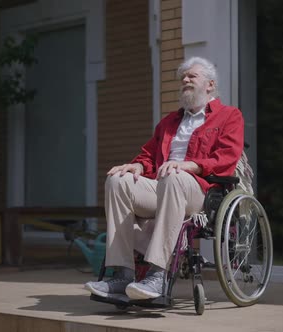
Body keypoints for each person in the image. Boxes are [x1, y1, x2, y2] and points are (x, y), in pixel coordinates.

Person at [84, 56, 244, 300]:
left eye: (192, 76)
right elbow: (148, 155)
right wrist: (137, 165)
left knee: (174, 176)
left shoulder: (229, 116)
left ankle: (158, 274)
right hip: (164, 187)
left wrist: (190, 165)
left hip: (200, 191)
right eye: (183, 78)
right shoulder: (169, 122)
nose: (185, 80)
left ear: (210, 84)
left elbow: (226, 159)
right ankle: (122, 275)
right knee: (117, 181)